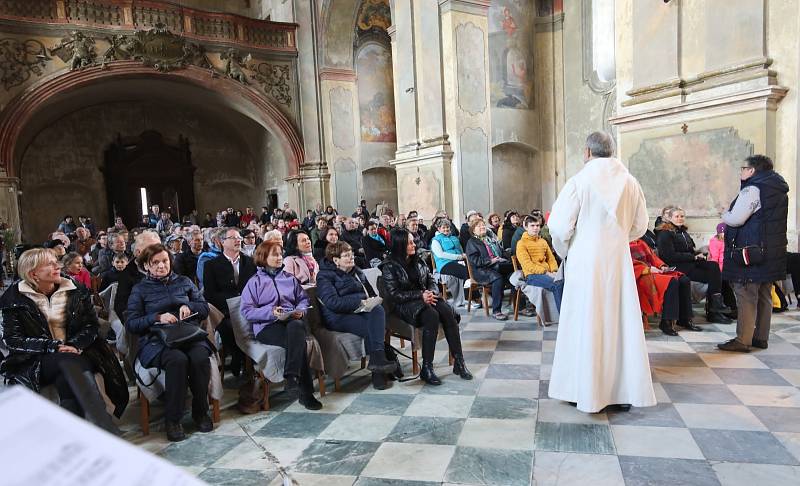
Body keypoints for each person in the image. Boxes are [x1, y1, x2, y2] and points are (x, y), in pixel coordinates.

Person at [547, 131, 656, 413]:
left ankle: (581, 389)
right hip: (617, 261)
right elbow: (641, 225)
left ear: (587, 152)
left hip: (585, 262)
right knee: (619, 322)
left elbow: (558, 226)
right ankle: (620, 392)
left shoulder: (579, 181)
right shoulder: (630, 182)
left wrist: (567, 249)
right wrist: (618, 238)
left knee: (585, 321)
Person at [0, 248, 126, 434]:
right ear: (33, 273)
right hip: (36, 359)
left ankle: (72, 434)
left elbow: (91, 325)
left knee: (67, 374)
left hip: (78, 351)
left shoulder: (75, 289)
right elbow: (13, 340)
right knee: (67, 361)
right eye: (49, 264)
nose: (57, 265)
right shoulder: (13, 298)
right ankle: (104, 426)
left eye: (56, 261)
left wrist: (74, 344)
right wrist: (52, 346)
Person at [126, 244, 213, 441]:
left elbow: (204, 307)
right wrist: (157, 318)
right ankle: (173, 419)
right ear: (146, 266)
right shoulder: (140, 289)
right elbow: (131, 322)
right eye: (155, 263)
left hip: (187, 334)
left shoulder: (183, 281)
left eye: (165, 261)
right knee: (177, 360)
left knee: (200, 357)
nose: (161, 266)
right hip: (156, 340)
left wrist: (188, 306)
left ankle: (201, 412)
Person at [380, 228, 471, 385]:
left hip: (425, 297)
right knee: (432, 316)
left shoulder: (418, 260)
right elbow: (394, 294)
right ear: (400, 245)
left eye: (413, 241)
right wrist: (420, 296)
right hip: (405, 304)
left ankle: (459, 362)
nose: (413, 244)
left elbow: (431, 280)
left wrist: (431, 292)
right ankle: (427, 369)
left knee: (448, 312)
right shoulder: (389, 266)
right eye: (409, 242)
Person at [718, 155, 789, 352]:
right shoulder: (778, 189)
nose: (741, 172)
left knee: (746, 294)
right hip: (771, 251)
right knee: (765, 294)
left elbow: (737, 219)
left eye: (743, 168)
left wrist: (724, 213)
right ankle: (760, 338)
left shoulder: (752, 189)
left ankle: (743, 340)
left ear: (752, 171)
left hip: (750, 251)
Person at [240, 239, 322, 410]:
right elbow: (247, 311)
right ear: (263, 257)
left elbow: (303, 300)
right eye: (275, 254)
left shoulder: (289, 279)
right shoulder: (254, 282)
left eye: (280, 254)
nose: (279, 257)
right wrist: (270, 312)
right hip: (267, 327)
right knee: (297, 343)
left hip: (291, 321)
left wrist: (301, 310)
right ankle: (305, 393)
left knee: (297, 326)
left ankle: (291, 376)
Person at [316, 241, 397, 389]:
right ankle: (382, 363)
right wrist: (360, 301)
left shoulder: (357, 272)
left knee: (378, 310)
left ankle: (377, 363)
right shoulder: (324, 276)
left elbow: (371, 294)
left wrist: (371, 301)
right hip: (338, 317)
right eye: (346, 255)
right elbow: (332, 303)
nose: (351, 257)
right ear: (335, 260)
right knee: (373, 329)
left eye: (351, 254)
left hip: (360, 311)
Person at [656, 207, 733, 323]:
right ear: (670, 218)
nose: (680, 218)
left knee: (714, 266)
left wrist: (699, 254)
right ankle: (714, 311)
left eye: (682, 216)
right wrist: (693, 257)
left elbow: (690, 251)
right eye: (676, 216)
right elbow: (669, 256)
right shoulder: (665, 234)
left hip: (689, 263)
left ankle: (716, 307)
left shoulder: (683, 232)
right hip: (677, 266)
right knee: (714, 275)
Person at [203, 227, 257, 377]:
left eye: (239, 237)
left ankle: (252, 359)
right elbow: (210, 294)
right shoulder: (212, 265)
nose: (238, 240)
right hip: (225, 311)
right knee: (228, 326)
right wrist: (234, 301)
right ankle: (238, 356)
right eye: (233, 238)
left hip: (248, 308)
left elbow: (256, 286)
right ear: (222, 242)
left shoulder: (250, 262)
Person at [629, 238, 699, 335]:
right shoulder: (622, 244)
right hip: (641, 275)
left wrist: (661, 266)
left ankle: (684, 318)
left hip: (654, 270)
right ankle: (666, 322)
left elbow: (653, 257)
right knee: (671, 282)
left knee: (684, 280)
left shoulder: (640, 242)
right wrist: (648, 269)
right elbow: (628, 265)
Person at [466, 218, 513, 321]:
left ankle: (520, 305)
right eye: (479, 226)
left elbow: (501, 251)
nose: (482, 227)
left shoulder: (490, 239)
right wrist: (491, 261)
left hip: (496, 264)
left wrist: (507, 257)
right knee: (498, 278)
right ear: (473, 230)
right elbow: (475, 261)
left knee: (514, 272)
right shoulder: (472, 242)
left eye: (483, 225)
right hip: (481, 270)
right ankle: (496, 311)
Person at [515, 216, 564, 312]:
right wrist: (546, 273)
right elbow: (527, 265)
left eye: (537, 225)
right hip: (532, 275)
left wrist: (554, 271)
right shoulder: (521, 243)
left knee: (568, 282)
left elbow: (551, 259)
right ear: (526, 227)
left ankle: (571, 314)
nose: (535, 228)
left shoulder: (543, 241)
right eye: (532, 226)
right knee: (557, 284)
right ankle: (563, 316)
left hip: (548, 272)